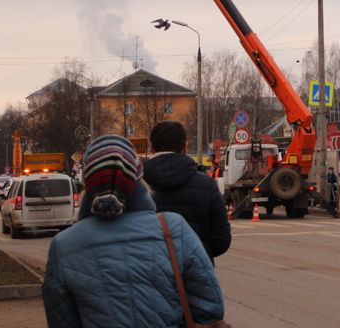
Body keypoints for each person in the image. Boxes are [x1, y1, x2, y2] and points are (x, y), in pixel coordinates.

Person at [43, 135, 227, 327]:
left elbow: (61, 321)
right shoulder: (172, 229)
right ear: (138, 178)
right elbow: (210, 309)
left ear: (88, 183)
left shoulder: (64, 245)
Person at [143, 121, 232, 263]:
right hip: (196, 274)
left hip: (151, 275)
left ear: (152, 148)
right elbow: (221, 241)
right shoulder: (207, 186)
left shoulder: (137, 186)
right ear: (185, 147)